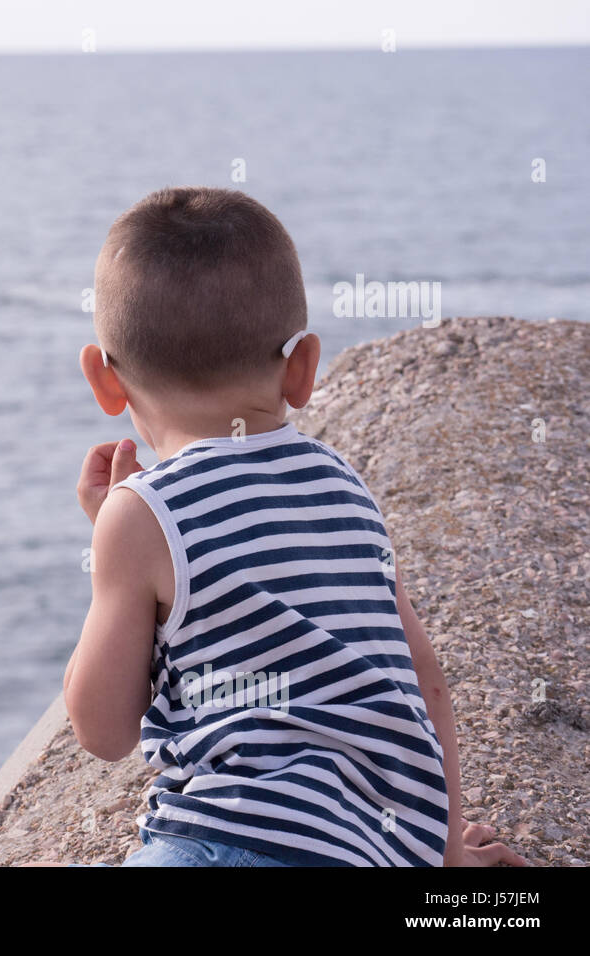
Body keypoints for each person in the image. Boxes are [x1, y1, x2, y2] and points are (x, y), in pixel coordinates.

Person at [60, 187, 527, 867]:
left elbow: (102, 730)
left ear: (104, 383)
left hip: (225, 843)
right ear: (304, 366)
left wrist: (111, 550)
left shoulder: (139, 515)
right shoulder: (345, 487)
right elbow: (424, 678)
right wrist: (447, 853)